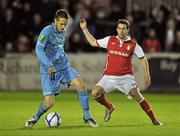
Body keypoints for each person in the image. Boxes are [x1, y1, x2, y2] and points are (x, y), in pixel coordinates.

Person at [79, 18, 162, 125]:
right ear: (116, 29)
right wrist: (85, 29)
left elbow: (143, 59)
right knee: (95, 93)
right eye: (119, 28)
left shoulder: (133, 44)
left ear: (128, 30)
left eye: (124, 29)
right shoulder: (110, 40)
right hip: (108, 77)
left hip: (125, 78)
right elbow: (93, 42)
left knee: (137, 96)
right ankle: (110, 107)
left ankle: (154, 120)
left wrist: (147, 75)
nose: (121, 30)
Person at [25, 9, 98, 128]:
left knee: (81, 86)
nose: (63, 26)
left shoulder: (63, 31)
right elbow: (38, 49)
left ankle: (87, 117)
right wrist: (49, 64)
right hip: (49, 70)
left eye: (65, 24)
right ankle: (35, 118)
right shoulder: (47, 31)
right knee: (49, 103)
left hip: (63, 67)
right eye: (61, 24)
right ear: (55, 21)